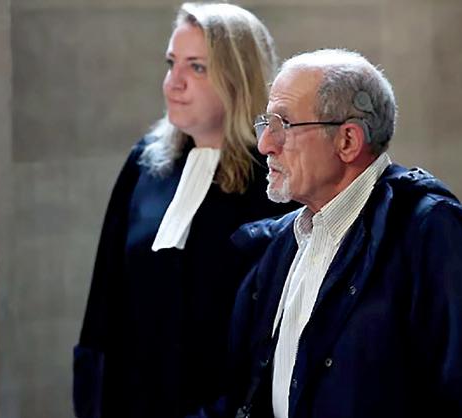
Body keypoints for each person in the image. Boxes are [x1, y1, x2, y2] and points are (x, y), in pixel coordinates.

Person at [217, 49, 462, 417]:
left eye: (284, 124)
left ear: (348, 141)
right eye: (266, 123)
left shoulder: (433, 233)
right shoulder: (284, 242)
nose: (265, 144)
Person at [73, 3, 296, 418]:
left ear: (238, 78)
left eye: (196, 67)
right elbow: (104, 301)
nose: (173, 82)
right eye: (171, 63)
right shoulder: (146, 163)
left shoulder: (276, 182)